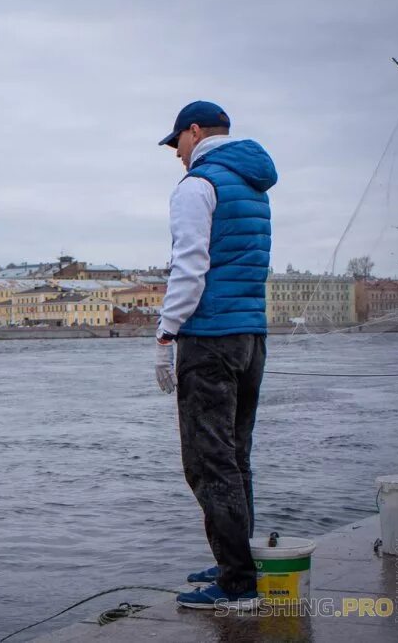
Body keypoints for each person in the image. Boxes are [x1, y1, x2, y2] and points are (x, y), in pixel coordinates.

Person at [155, 101, 277, 609]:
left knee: (207, 461)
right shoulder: (251, 183)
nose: (177, 155)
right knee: (236, 455)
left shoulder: (198, 185)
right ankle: (237, 558)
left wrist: (165, 336)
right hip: (251, 336)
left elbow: (189, 268)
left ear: (196, 132)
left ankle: (236, 583)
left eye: (177, 143)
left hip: (208, 338)